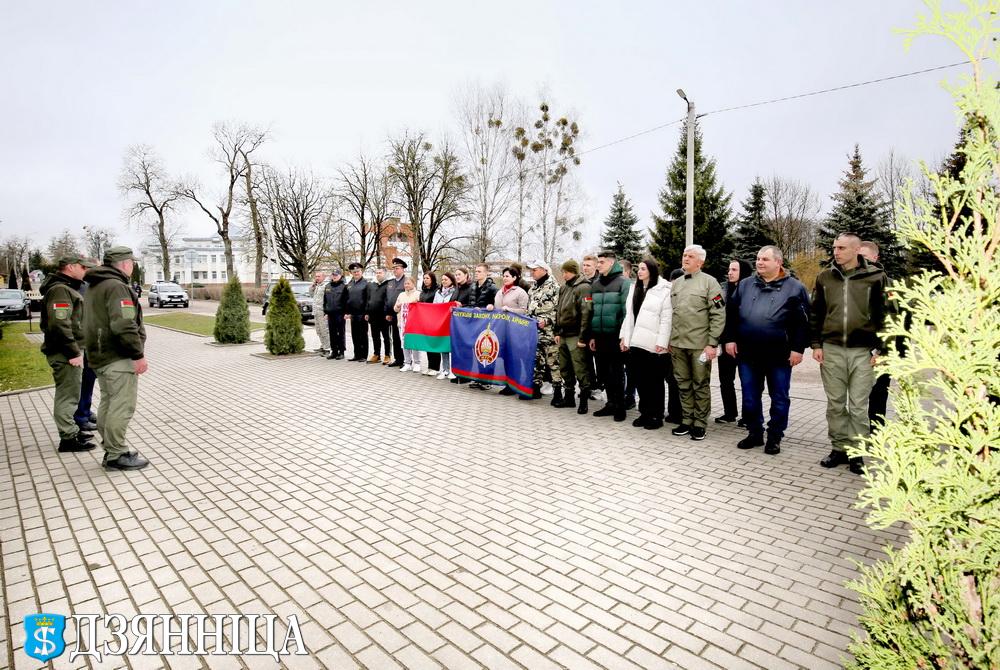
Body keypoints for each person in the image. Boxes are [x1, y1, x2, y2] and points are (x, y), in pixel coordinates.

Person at [811, 233, 888, 475]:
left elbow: (887, 316)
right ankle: (838, 448)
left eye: (842, 248)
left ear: (856, 250)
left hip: (863, 352)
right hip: (832, 350)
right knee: (835, 404)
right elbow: (816, 313)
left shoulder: (876, 277)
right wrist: (816, 345)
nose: (836, 251)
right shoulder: (825, 277)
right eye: (835, 247)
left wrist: (882, 350)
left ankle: (857, 452)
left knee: (858, 406)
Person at [724, 246, 810, 455]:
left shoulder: (795, 287)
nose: (759, 262)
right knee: (750, 397)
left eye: (765, 259)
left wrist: (798, 349)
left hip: (779, 355)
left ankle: (774, 436)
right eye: (758, 259)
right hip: (747, 353)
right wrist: (730, 339)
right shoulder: (745, 285)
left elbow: (804, 322)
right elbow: (731, 314)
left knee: (779, 397)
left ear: (778, 262)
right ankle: (755, 433)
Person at [83, 246, 149, 470]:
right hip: (117, 356)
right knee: (122, 406)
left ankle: (111, 447)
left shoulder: (96, 284)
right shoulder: (116, 286)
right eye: (132, 262)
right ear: (125, 263)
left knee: (109, 403)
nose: (133, 266)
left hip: (100, 354)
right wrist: (138, 354)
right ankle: (116, 454)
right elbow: (124, 324)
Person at [669, 245, 726, 441]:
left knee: (700, 384)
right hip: (678, 344)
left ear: (700, 262)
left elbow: (718, 314)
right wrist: (669, 340)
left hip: (699, 346)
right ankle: (687, 420)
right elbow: (671, 314)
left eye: (690, 256)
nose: (685, 258)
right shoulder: (676, 284)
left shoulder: (710, 283)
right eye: (684, 255)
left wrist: (712, 343)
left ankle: (700, 423)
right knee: (683, 384)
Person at [40, 255, 97, 453]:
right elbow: (59, 325)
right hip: (64, 352)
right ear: (70, 267)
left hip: (69, 350)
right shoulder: (60, 290)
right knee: (68, 395)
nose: (85, 271)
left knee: (72, 393)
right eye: (83, 267)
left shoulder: (66, 287)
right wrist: (73, 352)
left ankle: (72, 431)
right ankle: (68, 438)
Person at [619, 259, 672, 430]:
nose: (639, 271)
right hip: (636, 342)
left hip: (653, 343)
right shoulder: (635, 288)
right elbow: (629, 316)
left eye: (643, 268)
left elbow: (666, 319)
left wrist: (662, 342)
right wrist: (624, 337)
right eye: (639, 268)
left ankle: (656, 415)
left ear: (652, 270)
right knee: (640, 380)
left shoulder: (664, 289)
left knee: (654, 381)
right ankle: (645, 413)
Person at [589, 250, 632, 421]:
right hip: (599, 336)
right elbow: (592, 310)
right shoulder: (596, 284)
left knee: (617, 373)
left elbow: (626, 311)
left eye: (602, 262)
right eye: (598, 262)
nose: (598, 265)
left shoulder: (624, 282)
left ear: (612, 263)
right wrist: (592, 336)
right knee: (604, 373)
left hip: (616, 335)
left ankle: (620, 407)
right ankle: (610, 403)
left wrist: (624, 335)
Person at [859, 241, 892, 430]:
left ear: (875, 257)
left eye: (864, 257)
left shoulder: (888, 284)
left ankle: (876, 437)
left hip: (879, 354)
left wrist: (882, 352)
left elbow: (895, 321)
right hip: (855, 352)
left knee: (878, 398)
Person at [716, 259, 753, 424]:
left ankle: (748, 416)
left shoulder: (751, 290)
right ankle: (729, 413)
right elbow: (716, 310)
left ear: (743, 272)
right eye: (729, 269)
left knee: (747, 381)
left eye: (734, 270)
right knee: (725, 380)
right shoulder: (722, 289)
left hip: (745, 343)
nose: (729, 273)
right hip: (725, 342)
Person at [554, 259, 593, 414]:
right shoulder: (564, 288)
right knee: (565, 367)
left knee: (580, 367)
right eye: (563, 272)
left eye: (566, 272)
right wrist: (557, 332)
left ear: (573, 272)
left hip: (576, 335)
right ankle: (569, 397)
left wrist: (583, 338)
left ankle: (584, 399)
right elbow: (558, 310)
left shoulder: (584, 287)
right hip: (563, 334)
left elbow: (586, 313)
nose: (563, 275)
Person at [525, 260, 561, 402]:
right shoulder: (533, 288)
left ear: (544, 270)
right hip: (533, 331)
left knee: (553, 362)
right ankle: (535, 388)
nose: (532, 272)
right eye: (531, 270)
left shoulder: (554, 287)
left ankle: (558, 392)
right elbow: (529, 308)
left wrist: (547, 321)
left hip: (549, 332)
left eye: (534, 270)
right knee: (536, 360)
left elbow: (558, 310)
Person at [492, 267, 529, 396]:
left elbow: (524, 311)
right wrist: (491, 308)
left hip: (516, 330)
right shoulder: (499, 292)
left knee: (516, 357)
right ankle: (508, 383)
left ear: (514, 277)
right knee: (505, 357)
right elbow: (497, 309)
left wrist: (510, 310)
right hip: (502, 330)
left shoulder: (520, 292)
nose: (505, 278)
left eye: (507, 276)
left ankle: (518, 383)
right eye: (503, 276)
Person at [664, 269, 685, 423]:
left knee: (679, 380)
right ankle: (674, 412)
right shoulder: (668, 297)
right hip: (670, 345)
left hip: (683, 344)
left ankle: (680, 413)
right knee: (672, 380)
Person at [581, 254, 601, 398]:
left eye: (588, 265)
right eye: (584, 265)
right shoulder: (582, 282)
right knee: (586, 361)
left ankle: (599, 388)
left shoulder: (599, 283)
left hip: (596, 327)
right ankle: (590, 386)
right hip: (584, 328)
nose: (585, 268)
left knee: (599, 361)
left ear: (595, 266)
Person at [394, 276, 422, 372]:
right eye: (405, 284)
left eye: (408, 283)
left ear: (413, 284)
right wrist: (398, 306)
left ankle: (417, 363)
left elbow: (421, 307)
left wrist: (416, 303)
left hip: (414, 324)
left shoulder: (418, 294)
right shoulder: (401, 295)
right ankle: (407, 363)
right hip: (402, 324)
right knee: (404, 343)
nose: (406, 285)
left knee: (414, 343)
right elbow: (395, 309)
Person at [345, 262, 370, 362]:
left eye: (358, 271)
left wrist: (367, 312)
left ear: (361, 271)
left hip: (362, 313)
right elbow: (347, 299)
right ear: (351, 273)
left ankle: (364, 355)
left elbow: (368, 299)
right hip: (353, 314)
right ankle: (357, 354)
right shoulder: (350, 284)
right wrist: (347, 312)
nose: (356, 273)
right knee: (355, 335)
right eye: (354, 272)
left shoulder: (366, 283)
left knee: (363, 334)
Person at [434, 272, 457, 380]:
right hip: (441, 322)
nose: (443, 281)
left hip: (451, 322)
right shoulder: (438, 292)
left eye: (446, 279)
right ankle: (445, 369)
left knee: (451, 346)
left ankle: (453, 370)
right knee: (443, 347)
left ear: (451, 280)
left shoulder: (455, 291)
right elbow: (435, 305)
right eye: (442, 279)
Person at [384, 258, 407, 366]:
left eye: (397, 268)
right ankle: (398, 359)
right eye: (393, 268)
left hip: (403, 315)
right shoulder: (391, 282)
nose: (395, 270)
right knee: (395, 337)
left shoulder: (406, 281)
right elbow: (387, 299)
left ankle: (405, 360)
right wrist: (387, 313)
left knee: (402, 338)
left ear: (402, 269)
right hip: (392, 314)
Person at [366, 267, 391, 364]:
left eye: (380, 273)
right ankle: (376, 354)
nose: (378, 274)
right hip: (373, 315)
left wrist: (388, 313)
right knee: (375, 336)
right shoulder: (372, 285)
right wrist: (367, 312)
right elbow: (368, 299)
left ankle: (387, 355)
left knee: (386, 337)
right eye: (377, 273)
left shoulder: (388, 285)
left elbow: (388, 300)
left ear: (385, 274)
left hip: (384, 316)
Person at [323, 269, 347, 360]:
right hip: (330, 314)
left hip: (340, 314)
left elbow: (346, 301)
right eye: (333, 275)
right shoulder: (328, 286)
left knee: (340, 333)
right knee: (332, 333)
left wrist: (346, 312)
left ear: (340, 276)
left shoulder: (344, 286)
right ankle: (334, 351)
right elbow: (325, 300)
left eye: (336, 275)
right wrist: (325, 312)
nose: (334, 276)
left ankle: (341, 352)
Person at [419, 272, 440, 376]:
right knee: (427, 344)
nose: (425, 280)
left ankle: (435, 367)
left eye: (427, 278)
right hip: (425, 320)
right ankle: (430, 366)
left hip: (434, 320)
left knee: (434, 344)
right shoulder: (423, 291)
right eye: (424, 278)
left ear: (432, 279)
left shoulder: (437, 291)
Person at [310, 271, 330, 356]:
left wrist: (327, 312)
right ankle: (323, 346)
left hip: (322, 312)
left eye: (319, 276)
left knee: (324, 330)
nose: (317, 278)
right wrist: (312, 286)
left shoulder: (326, 286)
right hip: (316, 312)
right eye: (316, 276)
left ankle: (327, 349)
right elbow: (311, 295)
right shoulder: (317, 286)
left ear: (323, 277)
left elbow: (329, 300)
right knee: (319, 330)